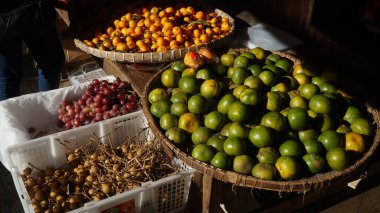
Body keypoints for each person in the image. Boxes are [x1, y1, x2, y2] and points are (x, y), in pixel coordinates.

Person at [0, 0, 65, 101]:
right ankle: (10, 115)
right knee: (8, 76)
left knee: (51, 62)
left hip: (34, 9)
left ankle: (49, 107)